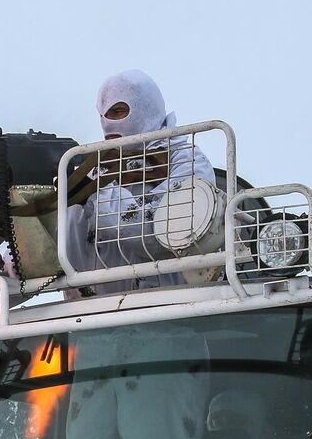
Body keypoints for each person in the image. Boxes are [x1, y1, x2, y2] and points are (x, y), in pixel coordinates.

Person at [64, 71, 213, 292]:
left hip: (169, 309)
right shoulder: (96, 167)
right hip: (95, 316)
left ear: (145, 108)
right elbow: (60, 246)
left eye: (117, 111)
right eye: (102, 115)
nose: (107, 124)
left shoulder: (186, 159)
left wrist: (96, 194)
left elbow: (159, 232)